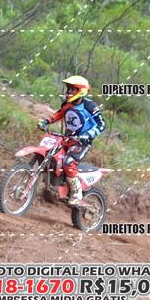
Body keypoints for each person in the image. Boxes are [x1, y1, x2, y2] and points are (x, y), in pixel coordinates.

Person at [37, 76, 106, 205]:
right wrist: (46, 121)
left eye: (72, 89)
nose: (69, 92)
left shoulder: (90, 107)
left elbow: (101, 125)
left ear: (81, 91)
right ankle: (54, 185)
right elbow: (59, 114)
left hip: (82, 142)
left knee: (68, 162)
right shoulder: (67, 104)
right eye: (68, 89)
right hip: (67, 139)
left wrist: (88, 135)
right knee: (51, 156)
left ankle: (76, 194)